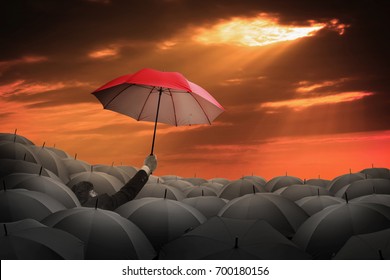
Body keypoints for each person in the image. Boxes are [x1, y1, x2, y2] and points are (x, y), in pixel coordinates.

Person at [71, 155, 157, 210]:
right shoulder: (102, 203)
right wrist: (147, 168)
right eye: (93, 191)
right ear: (90, 193)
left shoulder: (73, 214)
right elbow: (127, 192)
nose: (96, 193)